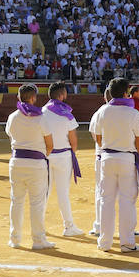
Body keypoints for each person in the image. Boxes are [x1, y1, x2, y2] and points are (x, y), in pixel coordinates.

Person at [91, 78, 139, 253]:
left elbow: (98, 138)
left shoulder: (103, 111)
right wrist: (133, 152)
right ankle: (127, 243)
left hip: (106, 157)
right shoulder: (133, 113)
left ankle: (104, 243)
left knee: (106, 200)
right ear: (125, 93)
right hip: (126, 158)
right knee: (126, 201)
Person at [4, 83, 55, 250]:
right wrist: (41, 157)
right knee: (36, 203)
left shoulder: (12, 117)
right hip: (36, 163)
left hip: (17, 162)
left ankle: (15, 239)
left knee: (16, 201)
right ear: (33, 98)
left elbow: (10, 136)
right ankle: (38, 240)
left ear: (19, 98)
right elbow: (50, 145)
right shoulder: (41, 118)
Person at [42, 81, 86, 236]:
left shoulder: (41, 112)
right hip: (63, 156)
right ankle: (69, 227)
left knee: (43, 193)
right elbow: (74, 141)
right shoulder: (67, 114)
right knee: (63, 194)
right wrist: (70, 153)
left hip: (45, 157)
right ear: (61, 95)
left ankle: (39, 226)